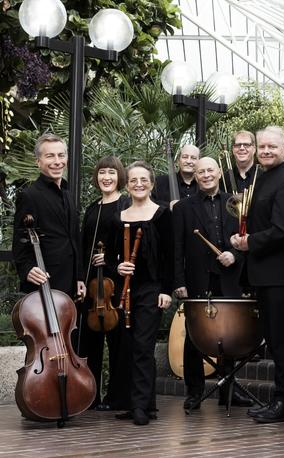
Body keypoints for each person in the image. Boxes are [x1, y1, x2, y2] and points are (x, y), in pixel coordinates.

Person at [230, 127, 284, 423]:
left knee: (283, 341)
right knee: (274, 340)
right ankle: (280, 400)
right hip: (265, 273)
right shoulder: (265, 177)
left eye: (272, 146)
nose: (266, 151)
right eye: (262, 147)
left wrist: (250, 242)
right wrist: (242, 237)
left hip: (280, 275)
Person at [174, 157, 252, 410]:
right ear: (195, 176)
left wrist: (235, 254)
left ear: (219, 172)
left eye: (210, 170)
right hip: (198, 278)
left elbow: (245, 238)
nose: (206, 175)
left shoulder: (235, 202)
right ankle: (194, 391)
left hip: (229, 277)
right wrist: (179, 281)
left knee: (228, 333)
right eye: (200, 171)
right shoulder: (183, 208)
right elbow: (176, 249)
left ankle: (228, 389)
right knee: (194, 336)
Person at [113, 161, 174, 425]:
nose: (138, 184)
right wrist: (118, 265)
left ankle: (140, 406)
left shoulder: (162, 215)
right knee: (126, 346)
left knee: (142, 346)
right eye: (133, 180)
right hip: (125, 290)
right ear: (127, 185)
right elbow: (113, 254)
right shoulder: (120, 217)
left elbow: (171, 256)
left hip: (152, 289)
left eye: (143, 180)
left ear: (151, 184)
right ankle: (140, 404)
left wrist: (167, 290)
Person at [78, 156, 130, 412]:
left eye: (111, 173)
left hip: (115, 283)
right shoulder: (92, 207)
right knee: (89, 342)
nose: (106, 177)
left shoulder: (126, 204)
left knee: (118, 341)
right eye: (101, 173)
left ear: (119, 176)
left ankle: (116, 397)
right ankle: (90, 395)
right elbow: (83, 245)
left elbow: (128, 245)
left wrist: (108, 260)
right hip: (91, 285)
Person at [12, 133, 84, 299]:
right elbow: (19, 240)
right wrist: (27, 268)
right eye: (50, 156)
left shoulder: (67, 194)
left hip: (71, 281)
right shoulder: (30, 195)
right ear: (38, 162)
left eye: (61, 155)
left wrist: (79, 276)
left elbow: (74, 237)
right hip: (45, 279)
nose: (57, 161)